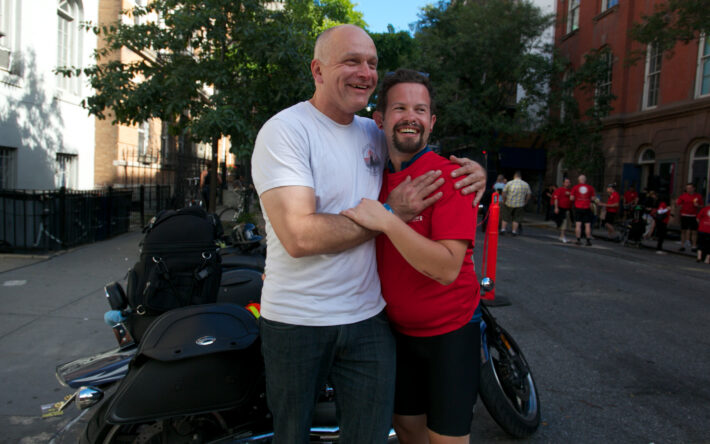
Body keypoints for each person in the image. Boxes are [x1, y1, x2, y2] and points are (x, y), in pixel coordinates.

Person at [250, 25, 486, 443]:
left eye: (372, 63)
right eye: (351, 61)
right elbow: (299, 237)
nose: (365, 71)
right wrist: (392, 212)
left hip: (369, 320)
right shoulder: (285, 131)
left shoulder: (371, 133)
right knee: (292, 435)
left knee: (371, 436)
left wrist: (475, 173)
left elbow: (412, 137)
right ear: (318, 70)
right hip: (297, 320)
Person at [342, 68, 480, 444]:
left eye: (420, 110)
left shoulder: (452, 176)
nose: (410, 117)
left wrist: (387, 219)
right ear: (380, 119)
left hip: (451, 332)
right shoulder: (369, 176)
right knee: (406, 429)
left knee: (446, 440)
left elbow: (447, 267)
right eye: (400, 107)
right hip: (395, 333)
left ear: (431, 122)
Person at [500, 171, 531, 236]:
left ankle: (503, 229)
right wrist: (525, 201)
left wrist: (504, 200)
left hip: (508, 203)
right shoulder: (525, 184)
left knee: (505, 217)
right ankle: (514, 231)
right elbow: (528, 194)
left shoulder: (509, 183)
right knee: (516, 218)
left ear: (514, 176)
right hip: (520, 204)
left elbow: (504, 193)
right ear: (520, 177)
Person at [676, 183, 703, 252]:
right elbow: (678, 204)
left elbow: (702, 206)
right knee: (683, 231)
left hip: (693, 216)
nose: (688, 189)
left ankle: (694, 246)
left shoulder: (698, 196)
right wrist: (679, 207)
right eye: (687, 188)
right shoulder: (683, 196)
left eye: (690, 188)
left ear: (694, 188)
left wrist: (697, 205)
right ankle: (682, 245)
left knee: (694, 231)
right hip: (684, 215)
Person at [570, 174, 596, 246]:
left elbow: (571, 198)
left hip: (578, 207)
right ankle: (588, 240)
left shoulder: (575, 187)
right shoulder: (590, 188)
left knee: (578, 224)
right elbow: (593, 198)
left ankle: (578, 240)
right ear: (585, 180)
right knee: (587, 224)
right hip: (587, 208)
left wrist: (577, 198)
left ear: (579, 180)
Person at [553, 177, 572, 243]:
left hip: (568, 208)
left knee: (566, 222)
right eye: (566, 182)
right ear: (563, 183)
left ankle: (562, 235)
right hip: (561, 208)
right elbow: (556, 199)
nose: (568, 183)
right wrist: (556, 207)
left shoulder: (570, 191)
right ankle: (562, 236)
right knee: (564, 221)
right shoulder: (559, 190)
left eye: (569, 182)